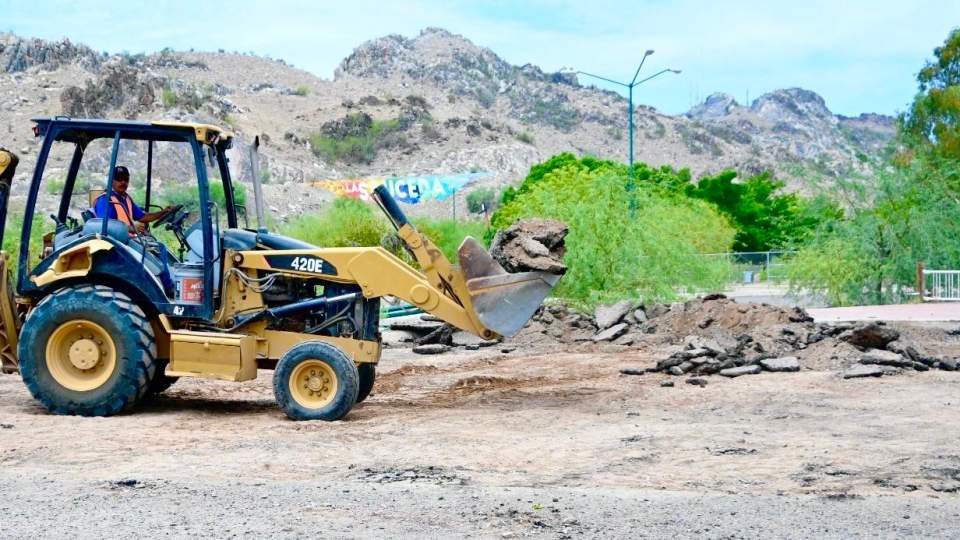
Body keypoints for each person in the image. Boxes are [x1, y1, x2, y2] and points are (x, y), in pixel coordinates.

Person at [93, 166, 175, 235]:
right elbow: (105, 225)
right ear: (111, 180)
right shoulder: (105, 200)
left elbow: (143, 217)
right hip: (116, 244)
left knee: (159, 247)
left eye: (126, 179)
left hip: (128, 239)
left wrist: (163, 212)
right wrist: (131, 228)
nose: (123, 182)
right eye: (119, 179)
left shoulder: (126, 198)